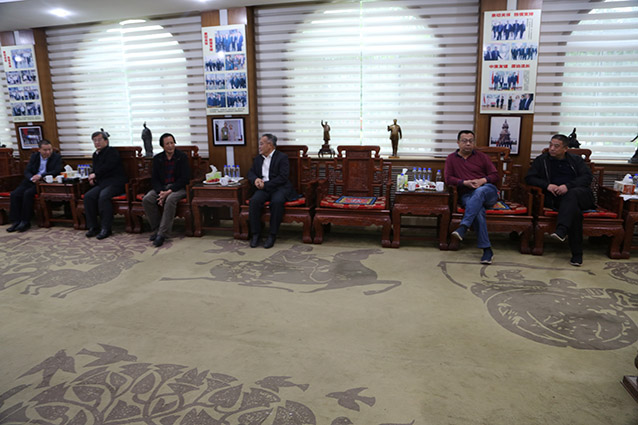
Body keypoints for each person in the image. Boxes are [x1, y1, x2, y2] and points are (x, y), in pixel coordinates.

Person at [525, 134, 595, 266]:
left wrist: (568, 186)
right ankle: (577, 254)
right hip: (556, 198)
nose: (552, 148)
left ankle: (562, 229)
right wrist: (547, 185)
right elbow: (529, 178)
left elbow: (587, 177)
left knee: (572, 194)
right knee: (575, 212)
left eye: (556, 146)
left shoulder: (576, 160)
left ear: (565, 148)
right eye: (550, 145)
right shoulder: (542, 160)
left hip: (580, 196)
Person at [445, 130, 499, 264]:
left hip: (487, 191)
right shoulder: (451, 158)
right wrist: (464, 183)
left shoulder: (482, 157)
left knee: (480, 192)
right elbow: (448, 178)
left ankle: (463, 227)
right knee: (478, 211)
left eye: (471, 141)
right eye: (464, 141)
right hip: (467, 194)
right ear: (458, 143)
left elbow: (495, 175)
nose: (468, 144)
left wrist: (482, 181)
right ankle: (487, 250)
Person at [247, 133, 297, 249]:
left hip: (279, 188)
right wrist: (256, 180)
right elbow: (251, 173)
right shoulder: (258, 158)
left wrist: (265, 184)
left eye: (261, 144)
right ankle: (256, 234)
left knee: (277, 202)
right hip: (263, 188)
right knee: (254, 201)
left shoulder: (282, 157)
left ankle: (272, 235)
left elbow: (283, 177)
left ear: (270, 145)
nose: (259, 147)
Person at [142, 133, 191, 247]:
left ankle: (162, 234)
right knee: (147, 199)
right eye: (167, 144)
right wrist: (161, 193)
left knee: (170, 199)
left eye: (172, 143)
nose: (170, 146)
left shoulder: (182, 157)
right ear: (162, 146)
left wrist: (169, 191)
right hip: (162, 188)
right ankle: (157, 229)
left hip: (178, 188)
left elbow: (185, 178)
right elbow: (155, 179)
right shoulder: (158, 158)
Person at [6, 140, 62, 233]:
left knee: (28, 194)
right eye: (45, 150)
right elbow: (27, 171)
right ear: (39, 150)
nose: (48, 152)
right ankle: (16, 221)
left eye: (50, 149)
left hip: (43, 182)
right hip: (31, 180)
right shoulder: (34, 156)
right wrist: (31, 178)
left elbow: (56, 171)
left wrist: (40, 176)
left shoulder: (56, 157)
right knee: (15, 194)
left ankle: (25, 221)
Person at [84, 129, 127, 240]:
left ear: (106, 141)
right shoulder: (95, 154)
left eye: (99, 140)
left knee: (103, 197)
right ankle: (93, 227)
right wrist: (93, 178)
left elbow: (108, 167)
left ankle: (106, 228)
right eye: (94, 140)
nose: (97, 142)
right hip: (102, 183)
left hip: (116, 183)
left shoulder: (112, 152)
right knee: (88, 196)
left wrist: (95, 175)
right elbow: (96, 169)